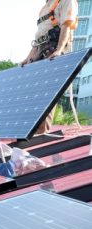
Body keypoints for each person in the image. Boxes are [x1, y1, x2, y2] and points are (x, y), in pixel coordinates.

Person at [21, 0, 78, 134]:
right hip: (40, 51)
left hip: (53, 50)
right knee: (31, 97)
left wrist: (59, 49)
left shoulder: (66, 1)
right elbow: (39, 37)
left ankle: (40, 137)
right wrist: (29, 57)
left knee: (45, 97)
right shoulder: (44, 7)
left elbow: (66, 26)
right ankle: (29, 134)